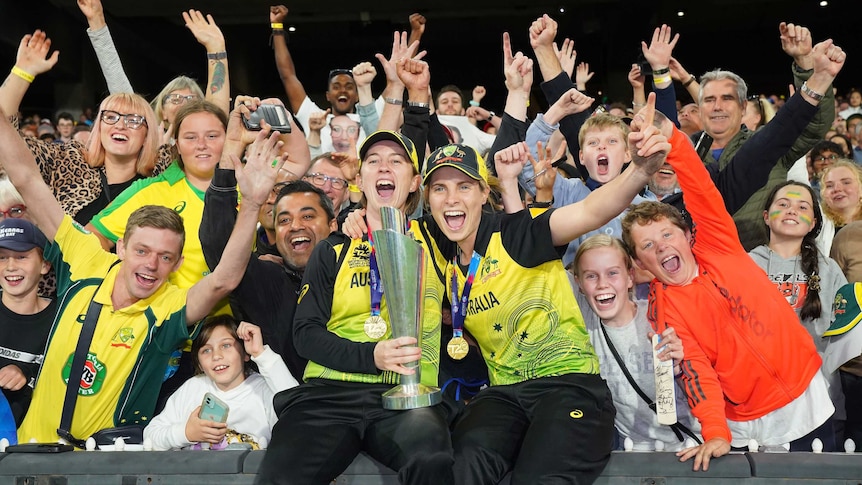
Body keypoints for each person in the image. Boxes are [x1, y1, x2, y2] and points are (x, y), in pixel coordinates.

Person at [0, 96, 290, 444]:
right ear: (120, 246)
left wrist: (253, 203)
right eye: (141, 250)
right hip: (32, 448)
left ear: (178, 264)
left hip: (105, 465)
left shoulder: (169, 307)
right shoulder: (86, 258)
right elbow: (26, 178)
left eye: (165, 257)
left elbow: (224, 278)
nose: (151, 264)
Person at [421, 91, 665, 481]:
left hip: (567, 387)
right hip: (503, 396)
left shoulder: (517, 233)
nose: (452, 198)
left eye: (464, 186)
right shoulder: (438, 257)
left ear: (485, 194)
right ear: (428, 200)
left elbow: (590, 211)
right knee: (457, 468)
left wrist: (638, 171)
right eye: (439, 189)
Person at [620, 112, 839, 471]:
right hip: (744, 422)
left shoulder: (718, 244)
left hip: (807, 397)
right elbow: (695, 372)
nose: (660, 247)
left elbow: (700, 188)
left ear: (687, 236)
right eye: (646, 245)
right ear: (639, 263)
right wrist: (716, 431)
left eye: (666, 235)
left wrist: (671, 137)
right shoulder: (664, 312)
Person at [256, 130, 452, 485]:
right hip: (328, 395)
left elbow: (477, 212)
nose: (384, 169)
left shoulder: (438, 243)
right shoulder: (333, 248)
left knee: (433, 460)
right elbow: (306, 335)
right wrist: (371, 356)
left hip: (406, 397)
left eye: (396, 162)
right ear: (360, 181)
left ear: (414, 182)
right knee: (278, 477)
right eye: (374, 162)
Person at [692, 22, 838, 251]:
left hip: (764, 270)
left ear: (743, 108)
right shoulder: (682, 153)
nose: (717, 107)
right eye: (709, 100)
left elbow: (813, 124)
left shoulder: (771, 145)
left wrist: (807, 66)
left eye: (726, 99)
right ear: (699, 108)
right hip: (699, 271)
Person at [0, 30, 169, 225]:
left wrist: (214, 53)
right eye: (111, 117)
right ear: (98, 127)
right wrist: (22, 72)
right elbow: (5, 139)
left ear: (147, 134)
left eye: (133, 121)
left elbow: (207, 142)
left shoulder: (162, 172)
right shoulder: (69, 162)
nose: (121, 125)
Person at [201, 175, 337, 380]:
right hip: (292, 406)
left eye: (307, 216)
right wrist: (227, 173)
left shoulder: (359, 271)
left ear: (333, 225)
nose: (295, 226)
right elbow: (221, 248)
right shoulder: (270, 281)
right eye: (284, 220)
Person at [748, 181, 848, 450]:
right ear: (766, 216)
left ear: (813, 222)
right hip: (756, 403)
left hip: (815, 404)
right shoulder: (744, 265)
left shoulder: (829, 270)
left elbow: (844, 339)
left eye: (802, 206)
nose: (792, 210)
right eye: (783, 204)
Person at [143, 317, 297, 450]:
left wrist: (260, 353)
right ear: (200, 364)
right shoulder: (193, 387)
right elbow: (150, 437)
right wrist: (186, 433)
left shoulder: (263, 388)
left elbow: (299, 412)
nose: (216, 356)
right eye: (206, 350)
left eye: (226, 345)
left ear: (245, 353)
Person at [77, 0, 230, 131]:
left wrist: (216, 49)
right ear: (162, 112)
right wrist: (97, 24)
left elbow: (218, 113)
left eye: (191, 99)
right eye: (176, 99)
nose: (184, 104)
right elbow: (120, 87)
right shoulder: (148, 143)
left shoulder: (209, 143)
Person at [0, 218, 54, 426]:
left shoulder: (62, 318)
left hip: (36, 441)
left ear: (44, 264)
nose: (11, 266)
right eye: (3, 258)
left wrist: (26, 373)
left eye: (21, 257)